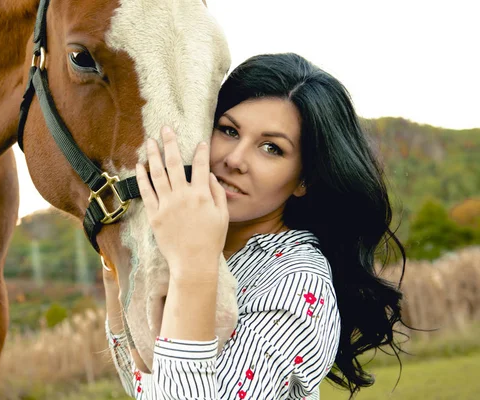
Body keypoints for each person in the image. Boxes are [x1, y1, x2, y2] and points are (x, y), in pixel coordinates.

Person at [103, 53, 405, 399]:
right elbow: (143, 380)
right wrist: (118, 263)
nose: (235, 159)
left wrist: (193, 268)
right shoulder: (191, 245)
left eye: (271, 148)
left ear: (303, 180)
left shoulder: (296, 284)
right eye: (229, 130)